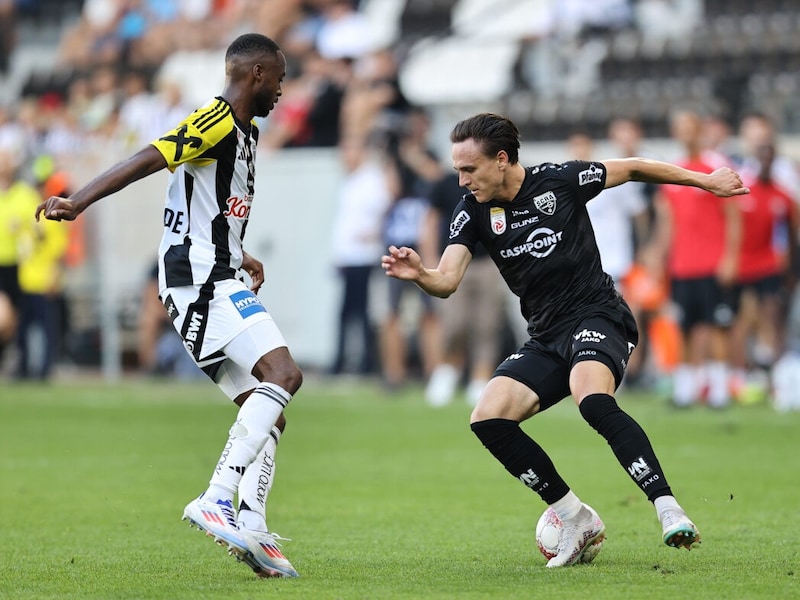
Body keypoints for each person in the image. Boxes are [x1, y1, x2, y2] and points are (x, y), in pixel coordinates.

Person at [381, 113, 749, 567]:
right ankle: (574, 516)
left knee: (591, 399)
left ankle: (667, 507)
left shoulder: (560, 180)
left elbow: (633, 166)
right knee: (487, 416)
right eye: (458, 170)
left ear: (501, 160)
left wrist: (704, 180)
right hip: (546, 335)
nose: (461, 180)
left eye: (468, 169)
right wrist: (420, 275)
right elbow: (447, 280)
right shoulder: (473, 211)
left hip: (599, 315)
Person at [36, 33, 301, 578]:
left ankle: (249, 524)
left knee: (266, 403)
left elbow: (203, 208)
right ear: (255, 73)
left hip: (215, 270)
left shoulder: (245, 134)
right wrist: (78, 201)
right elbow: (151, 156)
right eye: (277, 77)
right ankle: (217, 497)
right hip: (198, 279)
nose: (281, 89)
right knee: (284, 374)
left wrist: (240, 251)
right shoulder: (217, 118)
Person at [650, 109, 741, 408]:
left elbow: (733, 215)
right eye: (679, 128)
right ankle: (685, 391)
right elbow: (667, 221)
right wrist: (659, 255)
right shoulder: (674, 171)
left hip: (711, 263)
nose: (685, 133)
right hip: (682, 264)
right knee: (684, 327)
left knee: (716, 325)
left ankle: (718, 391)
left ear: (699, 129)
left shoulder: (716, 166)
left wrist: (729, 257)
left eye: (690, 127)